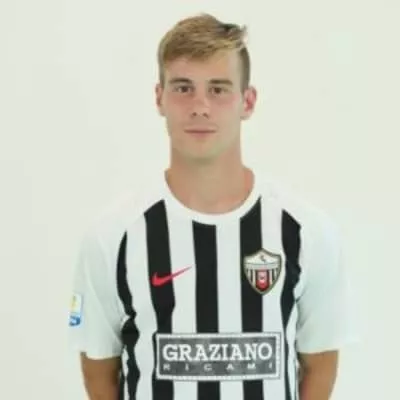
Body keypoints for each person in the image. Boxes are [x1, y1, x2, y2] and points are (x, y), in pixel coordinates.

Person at [68, 12, 355, 400]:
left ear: (247, 101)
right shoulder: (112, 236)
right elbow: (98, 370)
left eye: (218, 89)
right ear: (159, 98)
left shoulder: (306, 232)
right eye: (183, 88)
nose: (200, 106)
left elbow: (320, 366)